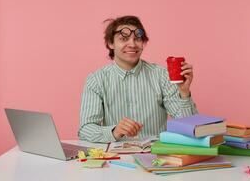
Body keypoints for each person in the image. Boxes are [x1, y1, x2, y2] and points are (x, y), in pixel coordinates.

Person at [78, 15, 198, 143]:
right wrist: (114, 131)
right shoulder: (96, 80)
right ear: (110, 43)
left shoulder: (161, 75)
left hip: (155, 156)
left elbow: (190, 128)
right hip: (115, 157)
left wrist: (184, 93)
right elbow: (85, 130)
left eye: (137, 39)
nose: (132, 44)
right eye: (124, 39)